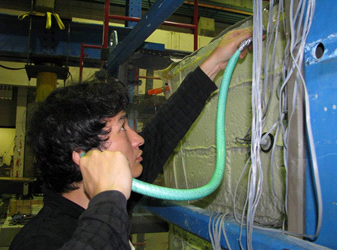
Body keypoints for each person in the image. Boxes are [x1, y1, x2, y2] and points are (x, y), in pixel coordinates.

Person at [9, 28, 252, 250]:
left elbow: (163, 132)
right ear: (84, 157)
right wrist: (109, 200)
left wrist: (215, 62)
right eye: (123, 128)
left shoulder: (105, 200)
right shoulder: (39, 241)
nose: (139, 140)